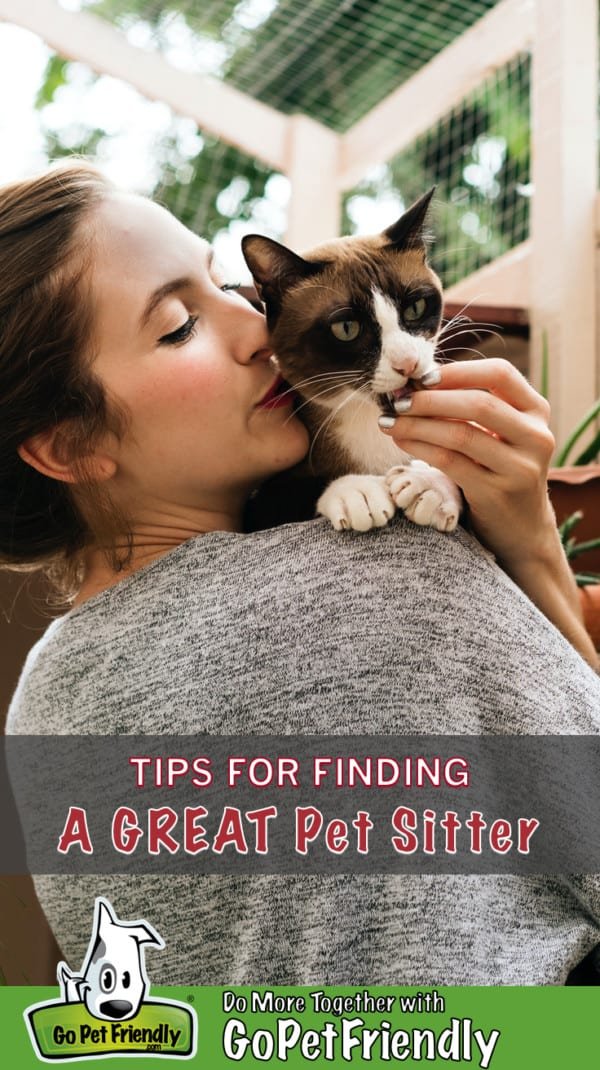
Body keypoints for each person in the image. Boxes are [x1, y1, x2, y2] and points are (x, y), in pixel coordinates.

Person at [3, 161, 600, 986]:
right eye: (180, 325)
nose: (260, 329)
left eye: (225, 286)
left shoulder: (42, 695)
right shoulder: (378, 573)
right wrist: (531, 540)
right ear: (70, 446)